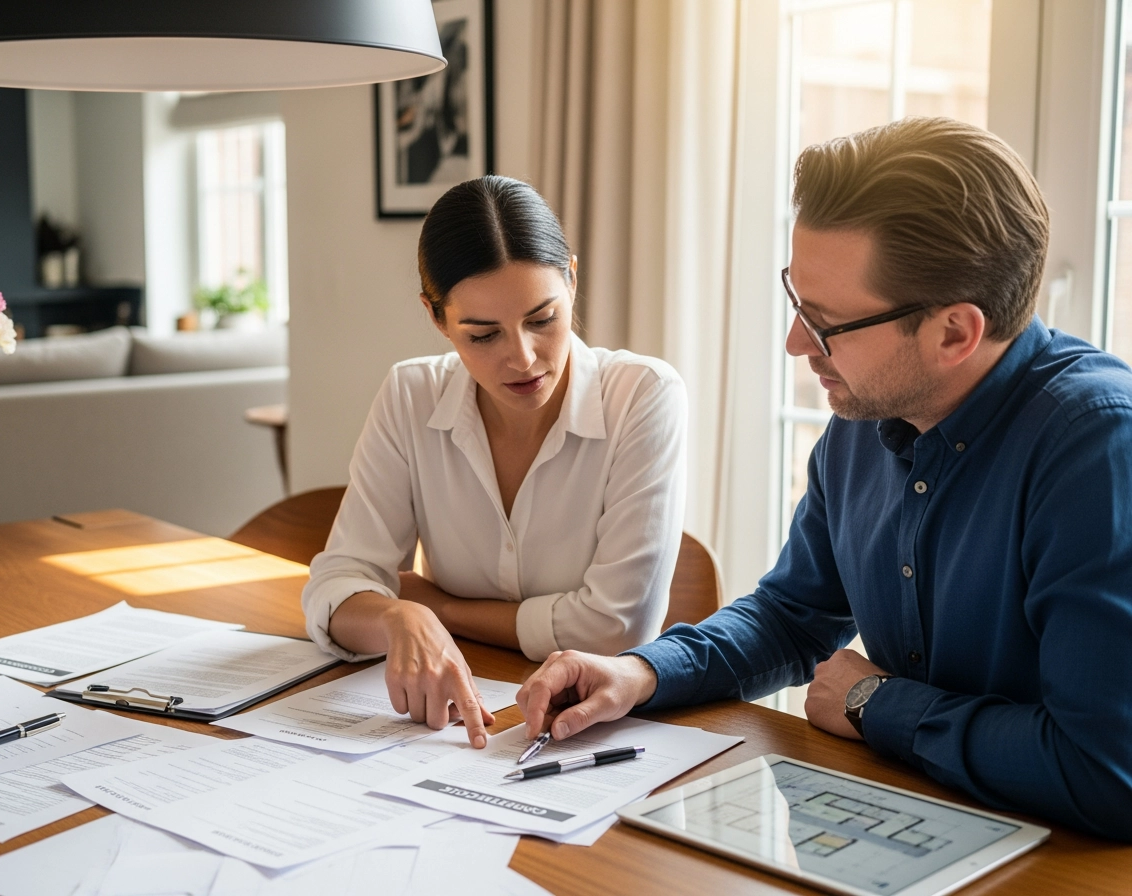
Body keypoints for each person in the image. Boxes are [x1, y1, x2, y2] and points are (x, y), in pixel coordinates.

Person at [515, 117, 1132, 841]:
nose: (794, 343)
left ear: (955, 333)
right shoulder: (869, 412)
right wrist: (642, 674)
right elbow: (791, 615)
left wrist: (875, 703)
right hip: (902, 822)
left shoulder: (1097, 449)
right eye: (796, 302)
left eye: (825, 322)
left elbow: (1104, 770)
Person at [303, 175, 687, 749]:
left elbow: (614, 630)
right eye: (483, 335)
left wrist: (439, 607)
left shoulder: (643, 395)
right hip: (455, 728)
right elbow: (333, 586)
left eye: (542, 319)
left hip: (592, 730)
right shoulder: (411, 395)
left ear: (572, 280)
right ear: (437, 318)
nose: (523, 358)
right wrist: (399, 618)